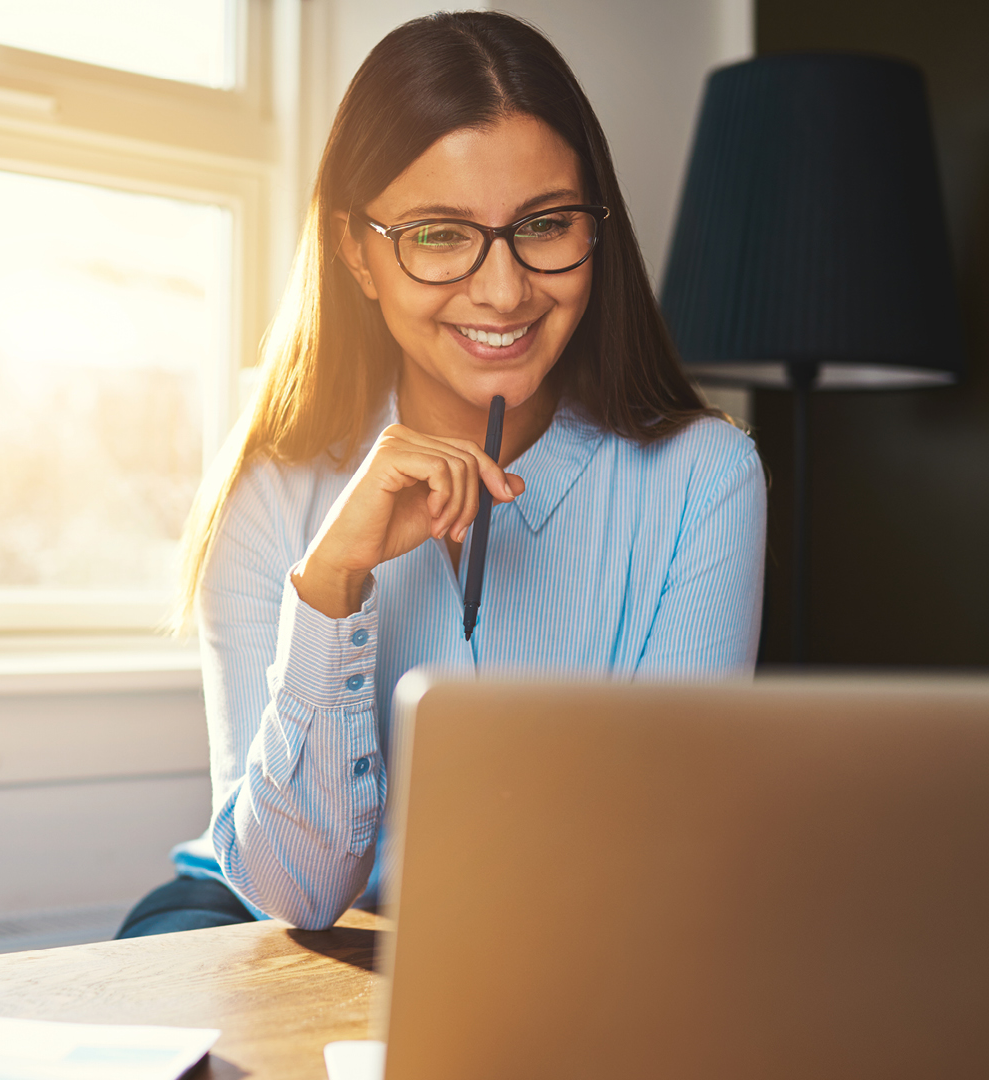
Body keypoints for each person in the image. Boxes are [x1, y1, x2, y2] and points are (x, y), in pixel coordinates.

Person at [116, 11, 765, 938]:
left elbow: (665, 855)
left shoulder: (705, 478)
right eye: (437, 235)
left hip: (544, 944)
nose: (503, 291)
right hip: (263, 919)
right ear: (357, 251)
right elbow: (294, 893)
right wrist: (331, 588)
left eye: (544, 224)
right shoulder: (271, 484)